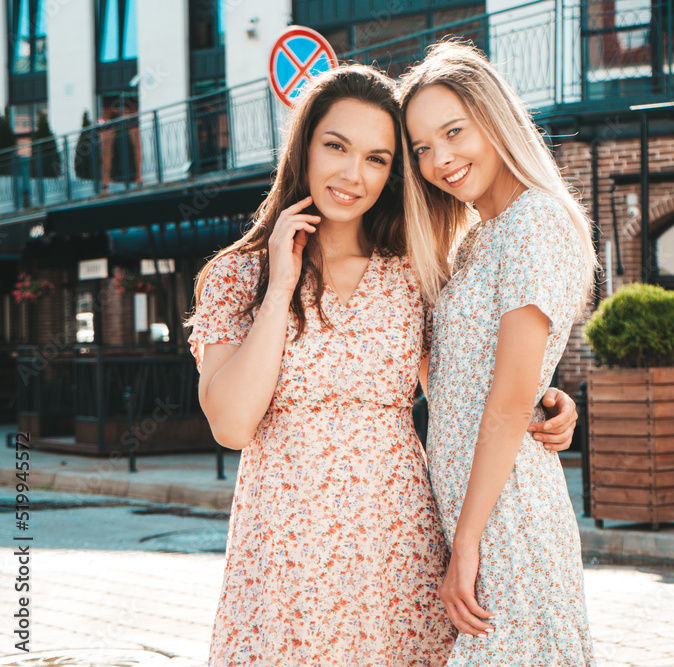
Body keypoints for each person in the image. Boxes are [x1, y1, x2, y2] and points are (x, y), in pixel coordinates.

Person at [186, 64, 577, 666]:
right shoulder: (240, 276)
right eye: (336, 147)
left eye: (377, 158)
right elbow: (233, 425)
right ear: (304, 148)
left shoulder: (412, 273)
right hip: (288, 549)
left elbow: (460, 382)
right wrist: (281, 284)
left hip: (400, 543)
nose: (353, 174)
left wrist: (547, 401)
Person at [400, 42, 598, 665]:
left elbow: (509, 404)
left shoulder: (536, 220)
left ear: (494, 118)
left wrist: (466, 545)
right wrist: (548, 395)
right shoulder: (473, 240)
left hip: (508, 516)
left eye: (453, 131)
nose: (440, 159)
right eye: (421, 148)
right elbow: (452, 378)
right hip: (470, 508)